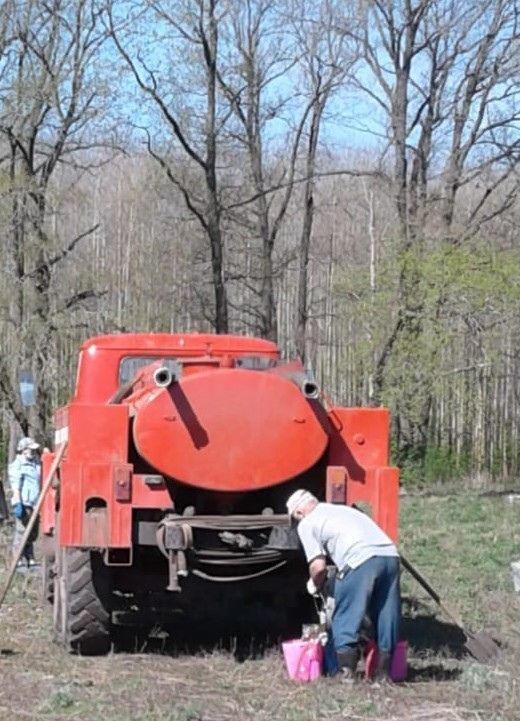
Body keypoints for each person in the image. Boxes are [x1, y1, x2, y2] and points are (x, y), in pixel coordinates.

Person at [286, 489, 401, 681]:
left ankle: (345, 674)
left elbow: (318, 566)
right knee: (386, 615)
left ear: (298, 513)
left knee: (346, 613)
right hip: (390, 556)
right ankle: (383, 676)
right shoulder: (344, 510)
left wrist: (314, 584)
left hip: (360, 560)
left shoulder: (307, 523)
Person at [8, 436, 42, 568]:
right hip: (24, 502)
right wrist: (18, 503)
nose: (33, 452)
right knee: (22, 530)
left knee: (32, 532)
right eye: (30, 449)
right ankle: (18, 558)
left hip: (35, 503)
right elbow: (15, 485)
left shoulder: (36, 463)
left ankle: (29, 556)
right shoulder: (18, 465)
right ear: (23, 450)